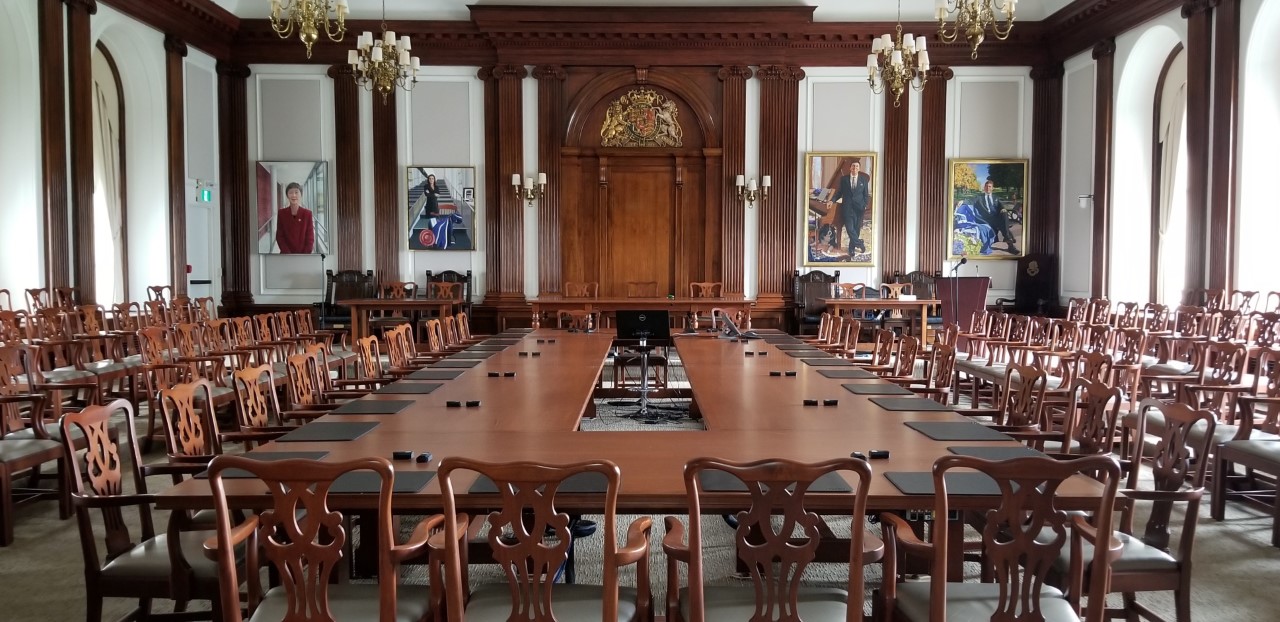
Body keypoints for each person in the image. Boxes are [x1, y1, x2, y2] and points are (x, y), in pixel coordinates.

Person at [830, 159, 870, 255]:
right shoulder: (844, 179)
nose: (855, 168)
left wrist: (864, 205)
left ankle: (851, 248)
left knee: (856, 229)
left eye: (857, 166)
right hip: (847, 207)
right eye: (853, 166)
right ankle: (860, 243)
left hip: (859, 208)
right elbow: (839, 192)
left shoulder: (863, 180)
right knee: (849, 228)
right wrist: (832, 200)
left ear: (859, 168)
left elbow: (866, 195)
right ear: (850, 168)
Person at [973, 178, 1019, 255]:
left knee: (1004, 214)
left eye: (990, 186)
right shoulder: (979, 197)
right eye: (986, 186)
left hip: (996, 218)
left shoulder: (996, 198)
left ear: (992, 188)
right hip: (986, 219)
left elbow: (1001, 206)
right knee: (1004, 226)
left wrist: (1003, 209)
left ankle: (1008, 241)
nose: (988, 188)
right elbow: (970, 200)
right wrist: (961, 201)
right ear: (984, 188)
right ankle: (1010, 245)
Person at [274, 182, 314, 254]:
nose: (294, 195)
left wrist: (304, 255)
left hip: (303, 256)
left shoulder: (307, 214)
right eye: (291, 193)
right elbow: (280, 236)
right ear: (287, 195)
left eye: (296, 192)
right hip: (286, 255)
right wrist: (288, 253)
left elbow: (310, 238)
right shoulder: (281, 213)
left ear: (301, 194)